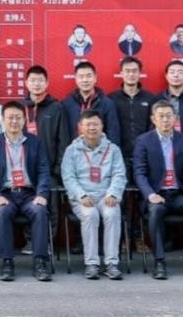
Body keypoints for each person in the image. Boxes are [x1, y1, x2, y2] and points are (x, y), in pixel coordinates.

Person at [133, 101, 183, 280]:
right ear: (153, 119)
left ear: (175, 118)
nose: (165, 120)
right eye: (161, 116)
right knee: (155, 211)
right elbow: (139, 173)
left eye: (169, 116)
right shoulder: (143, 141)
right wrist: (150, 195)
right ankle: (159, 261)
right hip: (157, 195)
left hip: (179, 194)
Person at [0, 101, 54, 282]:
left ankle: (40, 262)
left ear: (24, 120)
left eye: (18, 117)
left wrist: (42, 194)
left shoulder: (36, 142)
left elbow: (43, 171)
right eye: (10, 118)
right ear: (3, 120)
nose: (14, 121)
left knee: (40, 211)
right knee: (3, 212)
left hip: (30, 194)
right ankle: (7, 262)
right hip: (5, 194)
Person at [61, 111, 127, 280]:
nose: (92, 128)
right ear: (80, 128)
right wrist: (81, 195)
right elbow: (68, 177)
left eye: (95, 124)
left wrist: (113, 193)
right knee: (90, 215)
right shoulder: (71, 150)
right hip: (82, 199)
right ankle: (92, 263)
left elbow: (119, 174)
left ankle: (111, 263)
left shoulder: (113, 149)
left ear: (102, 126)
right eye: (88, 124)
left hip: (106, 196)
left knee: (112, 213)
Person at [22, 65, 72, 168]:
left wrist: (58, 170)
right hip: (23, 168)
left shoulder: (57, 107)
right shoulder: (20, 108)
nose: (36, 84)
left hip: (49, 169)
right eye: (33, 80)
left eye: (40, 80)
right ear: (26, 83)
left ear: (47, 83)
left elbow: (63, 141)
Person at [62, 61, 121, 147]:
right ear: (76, 79)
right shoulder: (66, 104)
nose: (85, 80)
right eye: (81, 77)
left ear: (95, 78)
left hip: (100, 152)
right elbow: (63, 135)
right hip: (75, 152)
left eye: (89, 76)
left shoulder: (107, 104)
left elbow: (113, 134)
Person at [110, 57, 156, 159]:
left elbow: (153, 126)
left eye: (134, 71)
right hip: (119, 154)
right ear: (121, 73)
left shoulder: (150, 98)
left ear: (140, 73)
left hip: (144, 153)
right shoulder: (111, 99)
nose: (131, 74)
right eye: (127, 71)